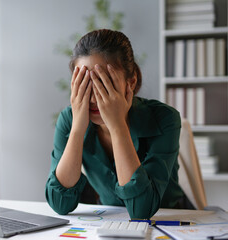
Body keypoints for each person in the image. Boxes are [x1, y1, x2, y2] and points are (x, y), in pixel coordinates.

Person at [45, 29, 189, 219]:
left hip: (168, 221)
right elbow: (59, 203)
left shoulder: (165, 118)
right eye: (85, 85)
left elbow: (141, 210)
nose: (94, 99)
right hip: (110, 221)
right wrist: (78, 128)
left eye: (104, 84)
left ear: (131, 82)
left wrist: (117, 126)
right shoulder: (69, 120)